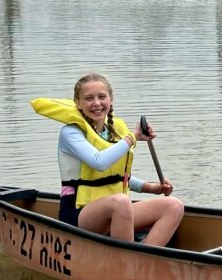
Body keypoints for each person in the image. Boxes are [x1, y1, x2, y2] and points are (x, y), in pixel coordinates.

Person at [31, 73, 184, 246]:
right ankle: (130, 259)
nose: (96, 103)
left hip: (117, 210)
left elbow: (115, 176)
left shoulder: (113, 130)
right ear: (78, 103)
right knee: (120, 201)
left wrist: (152, 188)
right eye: (89, 98)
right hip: (79, 214)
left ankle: (145, 259)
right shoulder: (71, 133)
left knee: (173, 205)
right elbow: (100, 162)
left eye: (102, 97)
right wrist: (133, 137)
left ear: (111, 100)